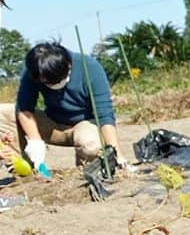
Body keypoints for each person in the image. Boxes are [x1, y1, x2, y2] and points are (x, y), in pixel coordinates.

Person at [0, 41, 120, 176]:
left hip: (84, 124)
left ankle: (84, 170)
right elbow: (24, 108)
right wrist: (35, 141)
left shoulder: (90, 67)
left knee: (90, 146)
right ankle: (27, 171)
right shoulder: (34, 70)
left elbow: (105, 115)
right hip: (53, 125)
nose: (53, 85)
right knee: (2, 113)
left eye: (57, 81)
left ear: (68, 65)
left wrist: (115, 154)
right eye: (47, 83)